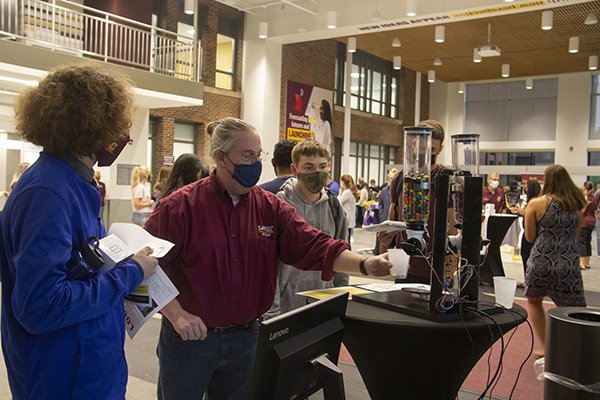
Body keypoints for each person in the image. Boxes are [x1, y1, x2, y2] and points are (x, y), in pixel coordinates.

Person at [144, 117, 392, 400]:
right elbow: (145, 267)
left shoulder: (269, 207)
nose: (255, 163)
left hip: (246, 340)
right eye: (247, 155)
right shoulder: (181, 207)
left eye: (258, 155)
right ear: (220, 158)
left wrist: (365, 264)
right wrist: (177, 315)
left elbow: (312, 244)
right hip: (191, 341)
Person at [0, 64, 158, 400]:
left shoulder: (71, 183)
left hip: (86, 365)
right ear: (96, 126)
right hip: (63, 375)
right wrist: (130, 273)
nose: (125, 138)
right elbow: (41, 306)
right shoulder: (49, 192)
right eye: (121, 125)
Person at [268, 140, 349, 317]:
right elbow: (269, 264)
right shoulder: (278, 206)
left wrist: (340, 299)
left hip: (323, 301)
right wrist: (272, 312)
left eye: (322, 166)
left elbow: (342, 256)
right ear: (295, 169)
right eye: (309, 167)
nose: (316, 173)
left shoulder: (335, 207)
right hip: (287, 305)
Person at [379, 119, 455, 284]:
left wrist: (452, 262)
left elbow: (453, 226)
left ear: (440, 149)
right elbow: (393, 218)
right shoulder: (400, 178)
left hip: (435, 268)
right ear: (413, 143)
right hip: (403, 266)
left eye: (432, 149)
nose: (425, 154)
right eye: (421, 148)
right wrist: (386, 238)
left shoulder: (447, 179)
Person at [524, 164, 587, 358]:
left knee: (534, 302)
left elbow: (529, 237)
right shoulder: (576, 206)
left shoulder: (536, 204)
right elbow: (575, 236)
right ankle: (572, 350)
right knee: (573, 310)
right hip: (568, 264)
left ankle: (546, 347)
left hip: (541, 260)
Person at [511, 179, 542, 275]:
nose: (524, 188)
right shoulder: (530, 201)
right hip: (528, 235)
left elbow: (531, 215)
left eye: (526, 186)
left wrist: (523, 212)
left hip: (531, 236)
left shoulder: (534, 202)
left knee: (528, 259)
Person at [577, 181, 597, 270]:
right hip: (592, 222)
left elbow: (582, 211)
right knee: (588, 242)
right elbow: (595, 208)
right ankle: (587, 262)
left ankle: (581, 263)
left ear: (585, 188)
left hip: (584, 222)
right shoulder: (594, 198)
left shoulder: (584, 198)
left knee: (581, 242)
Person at [339, 174, 359, 242]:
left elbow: (338, 202)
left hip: (346, 220)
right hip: (350, 220)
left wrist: (340, 193)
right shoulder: (351, 192)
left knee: (345, 240)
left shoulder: (347, 193)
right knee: (348, 240)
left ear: (343, 182)